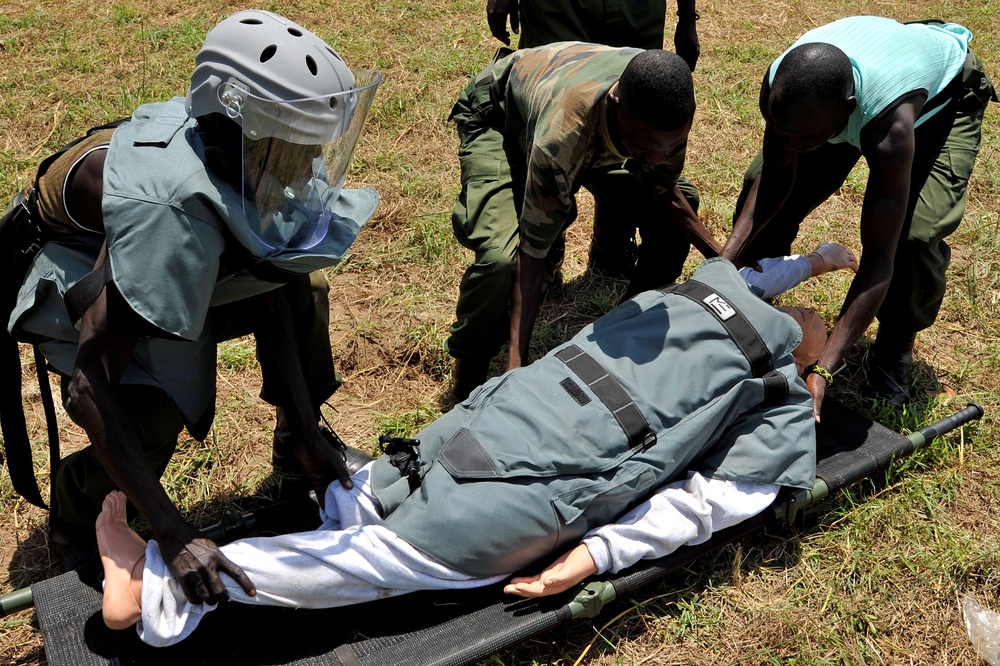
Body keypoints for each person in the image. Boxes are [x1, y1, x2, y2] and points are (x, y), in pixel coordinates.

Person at [96, 258, 827, 646]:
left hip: (493, 436)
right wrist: (598, 554)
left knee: (373, 535)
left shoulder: (704, 301)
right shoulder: (772, 386)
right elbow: (705, 503)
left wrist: (594, 555)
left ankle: (167, 573)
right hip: (518, 468)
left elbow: (758, 273)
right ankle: (165, 574)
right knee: (372, 554)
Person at [4, 10, 382, 603]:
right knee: (150, 413)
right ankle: (78, 517)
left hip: (153, 252)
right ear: (244, 125)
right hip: (72, 275)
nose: (308, 165)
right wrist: (174, 533)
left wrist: (305, 425)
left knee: (305, 286)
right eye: (296, 146)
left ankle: (296, 451)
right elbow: (89, 384)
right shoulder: (168, 206)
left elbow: (272, 275)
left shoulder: (237, 151)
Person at [720, 16, 997, 412]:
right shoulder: (784, 91)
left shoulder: (890, 130)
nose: (794, 147)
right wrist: (720, 268)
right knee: (759, 182)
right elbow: (775, 182)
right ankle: (752, 314)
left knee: (914, 235)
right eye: (784, 134)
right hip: (861, 81)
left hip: (944, 99)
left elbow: (878, 260)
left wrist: (825, 369)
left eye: (807, 139)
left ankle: (893, 353)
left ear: (847, 111)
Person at [447, 43, 721, 402]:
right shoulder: (563, 136)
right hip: (501, 117)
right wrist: (516, 367)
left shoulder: (666, 109)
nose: (656, 157)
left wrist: (724, 262)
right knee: (501, 258)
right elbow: (531, 253)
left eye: (666, 148)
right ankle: (469, 374)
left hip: (589, 127)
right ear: (617, 108)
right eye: (644, 147)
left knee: (676, 211)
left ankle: (624, 328)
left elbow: (664, 191)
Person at [486, 0, 701, 71]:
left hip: (636, 10)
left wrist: (687, 16)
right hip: (559, 9)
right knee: (552, 101)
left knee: (634, 113)